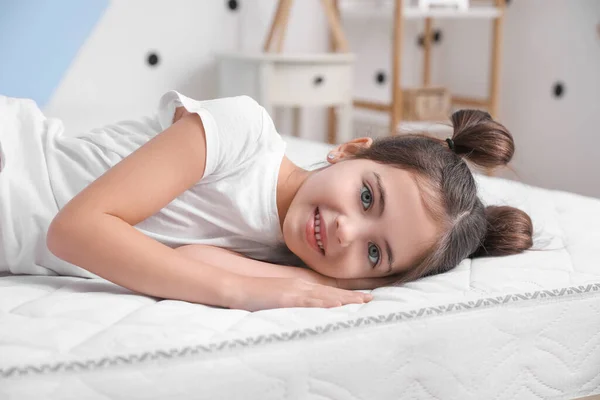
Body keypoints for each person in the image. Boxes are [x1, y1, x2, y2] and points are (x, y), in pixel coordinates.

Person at [0, 91, 533, 311]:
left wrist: (310, 283)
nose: (349, 231)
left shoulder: (286, 253)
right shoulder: (243, 134)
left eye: (375, 254)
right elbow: (75, 231)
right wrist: (242, 292)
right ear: (348, 150)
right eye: (367, 196)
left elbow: (181, 265)